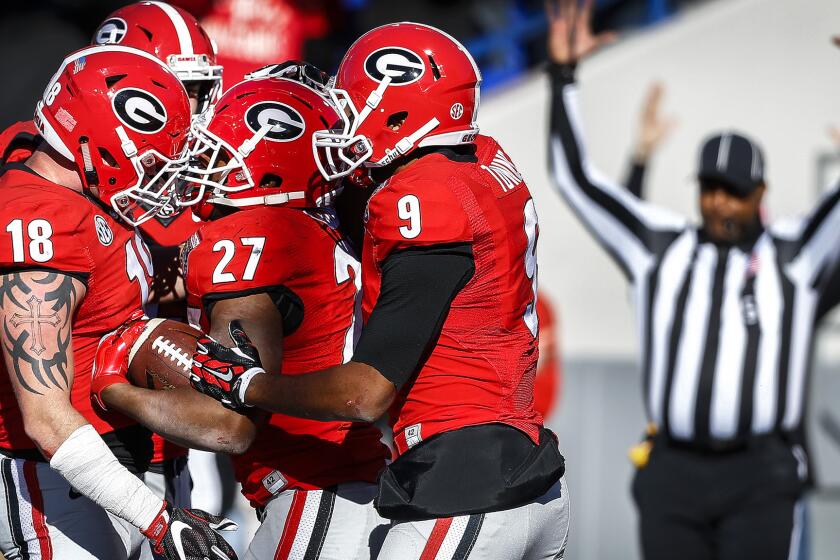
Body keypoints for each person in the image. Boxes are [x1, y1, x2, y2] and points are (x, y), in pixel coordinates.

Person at [183, 22, 570, 559]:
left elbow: (363, 395)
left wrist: (247, 384)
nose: (345, 125)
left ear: (398, 106)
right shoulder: (482, 159)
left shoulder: (420, 198)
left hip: (463, 487)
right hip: (524, 473)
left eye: (354, 105)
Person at [545, 1, 840, 559]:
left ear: (760, 195)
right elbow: (576, 180)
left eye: (732, 191)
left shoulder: (795, 254)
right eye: (709, 188)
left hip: (762, 473)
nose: (718, 203)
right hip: (673, 469)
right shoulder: (661, 248)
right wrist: (563, 80)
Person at [92, 76, 390, 560]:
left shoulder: (248, 238)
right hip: (349, 484)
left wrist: (113, 386)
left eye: (216, 154)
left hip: (315, 495)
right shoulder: (314, 226)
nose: (198, 166)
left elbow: (229, 424)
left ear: (266, 168)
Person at [0, 45, 237, 559]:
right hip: (52, 487)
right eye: (156, 151)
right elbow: (44, 417)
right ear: (98, 138)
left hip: (105, 477)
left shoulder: (86, 203)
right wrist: (158, 519)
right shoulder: (39, 220)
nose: (165, 167)